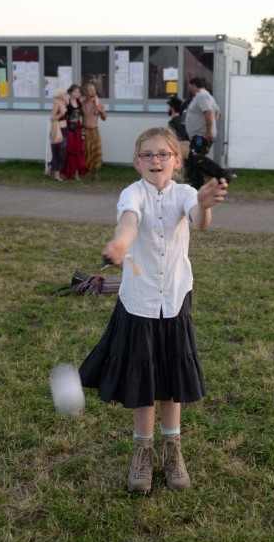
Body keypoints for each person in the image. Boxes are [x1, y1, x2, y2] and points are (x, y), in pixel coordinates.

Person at [79, 127, 228, 493]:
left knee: (171, 379)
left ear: (176, 161)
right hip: (140, 301)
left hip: (175, 299)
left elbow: (197, 219)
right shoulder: (132, 193)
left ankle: (172, 449)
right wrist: (119, 243)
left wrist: (206, 205)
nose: (155, 160)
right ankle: (142, 453)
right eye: (147, 155)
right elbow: (129, 221)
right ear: (137, 161)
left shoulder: (185, 193)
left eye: (163, 154)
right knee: (144, 380)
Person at [185, 77, 221, 189]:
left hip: (201, 136)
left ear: (194, 85)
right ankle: (196, 184)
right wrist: (212, 125)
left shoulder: (201, 96)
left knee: (196, 155)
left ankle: (221, 173)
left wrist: (208, 130)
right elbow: (218, 112)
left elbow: (209, 112)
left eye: (190, 86)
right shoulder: (207, 96)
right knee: (194, 158)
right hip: (200, 135)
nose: (190, 89)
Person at [81, 81, 107, 180]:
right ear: (86, 91)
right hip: (85, 130)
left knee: (97, 151)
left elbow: (104, 118)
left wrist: (101, 111)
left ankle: (95, 173)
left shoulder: (98, 103)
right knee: (86, 151)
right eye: (91, 89)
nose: (93, 91)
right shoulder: (82, 103)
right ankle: (85, 171)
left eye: (94, 89)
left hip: (95, 130)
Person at [61, 85, 87, 181]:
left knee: (77, 151)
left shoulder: (79, 103)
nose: (77, 93)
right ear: (71, 92)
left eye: (79, 92)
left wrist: (82, 130)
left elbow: (81, 117)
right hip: (69, 129)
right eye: (75, 91)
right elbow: (63, 115)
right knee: (70, 151)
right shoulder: (67, 102)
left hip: (78, 129)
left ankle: (76, 174)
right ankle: (68, 172)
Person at [47, 89, 69, 182]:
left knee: (62, 153)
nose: (66, 95)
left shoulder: (64, 103)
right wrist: (61, 114)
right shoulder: (57, 105)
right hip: (58, 131)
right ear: (60, 95)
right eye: (64, 94)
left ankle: (49, 170)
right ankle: (56, 175)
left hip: (64, 130)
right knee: (60, 153)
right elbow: (52, 118)